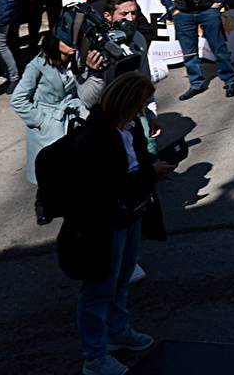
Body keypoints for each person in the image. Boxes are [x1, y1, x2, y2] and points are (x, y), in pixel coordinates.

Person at [55, 72, 169, 375]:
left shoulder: (128, 128)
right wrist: (150, 173)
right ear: (127, 103)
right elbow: (107, 185)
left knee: (121, 280)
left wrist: (152, 164)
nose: (144, 110)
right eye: (141, 104)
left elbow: (134, 165)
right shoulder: (95, 137)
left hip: (128, 214)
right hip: (103, 223)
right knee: (99, 288)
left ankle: (119, 332)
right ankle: (95, 356)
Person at [12, 39, 85, 183]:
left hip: (72, 121)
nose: (72, 44)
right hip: (50, 124)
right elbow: (18, 100)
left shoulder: (77, 60)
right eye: (66, 40)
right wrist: (42, 121)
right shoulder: (37, 65)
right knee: (50, 177)